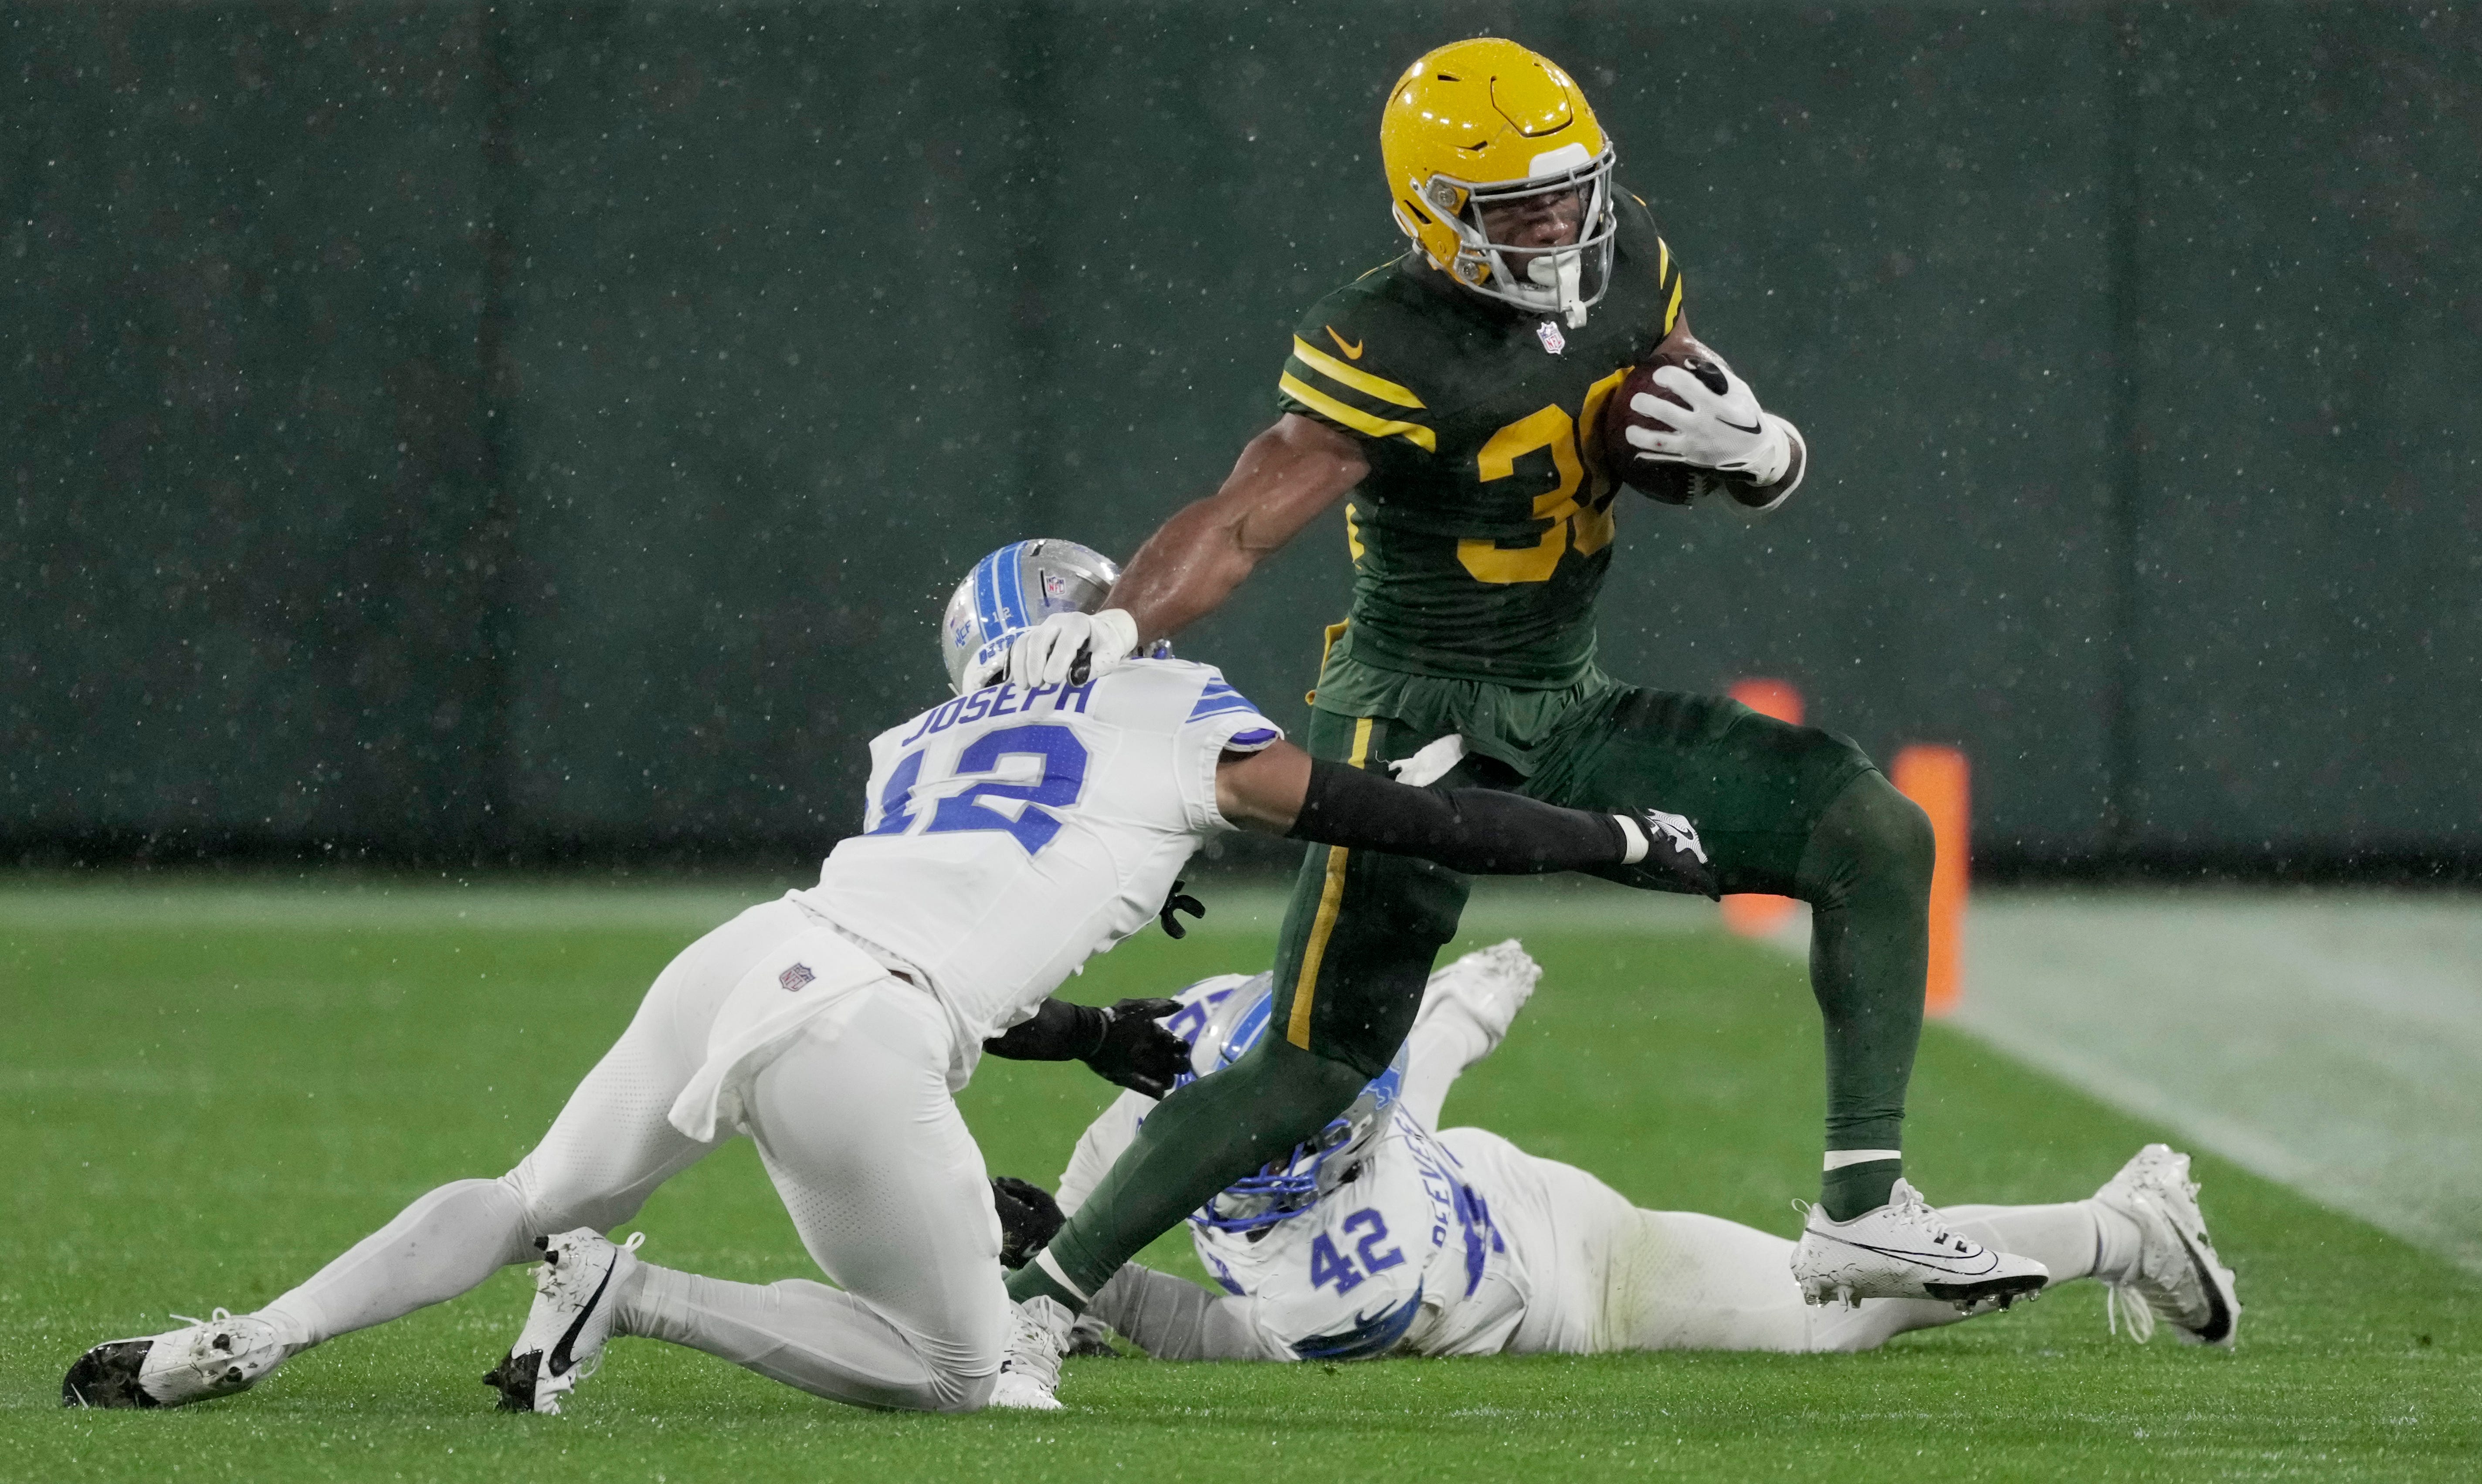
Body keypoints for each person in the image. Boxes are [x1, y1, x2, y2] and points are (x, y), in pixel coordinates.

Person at [60, 539, 1712, 1417]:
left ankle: (244, 1341)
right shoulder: (1170, 703)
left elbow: (968, 926)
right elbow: (1371, 812)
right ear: (1098, 619)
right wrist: (1612, 840)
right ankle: (632, 1296)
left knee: (523, 1187)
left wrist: (1094, 1029)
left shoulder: (917, 739)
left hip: (754, 956)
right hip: (866, 1024)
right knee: (967, 1377)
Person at [992, 37, 2044, 1337]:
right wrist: (1125, 617)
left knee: (1872, 831)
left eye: (1571, 190)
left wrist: (1767, 453)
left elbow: (1674, 424)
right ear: (1430, 212)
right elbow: (1251, 511)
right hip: (1412, 721)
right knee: (1316, 1065)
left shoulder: (1631, 258)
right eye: (1516, 206)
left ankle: (1862, 1212)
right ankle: (1046, 1299)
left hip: (1567, 701)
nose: (1558, 224)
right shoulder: (1384, 335)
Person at [1053, 943, 2241, 1363]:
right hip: (1497, 1194)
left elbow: (1222, 1335)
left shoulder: (1329, 1288)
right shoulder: (1282, 1086)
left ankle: (2128, 1229)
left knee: (1832, 1315)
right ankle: (2122, 1228)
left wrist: (1085, 1277)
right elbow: (1386, 1077)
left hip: (1577, 1281)